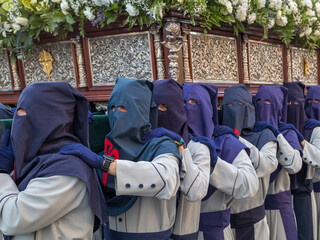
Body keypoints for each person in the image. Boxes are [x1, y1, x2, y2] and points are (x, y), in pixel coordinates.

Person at [59, 77, 181, 240]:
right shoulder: (107, 148)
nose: (117, 114)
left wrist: (105, 164)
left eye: (124, 108)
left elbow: (167, 178)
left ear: (140, 109)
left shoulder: (160, 145)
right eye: (113, 108)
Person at [0, 82, 107, 240]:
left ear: (49, 120)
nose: (18, 120)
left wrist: (2, 174)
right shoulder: (34, 162)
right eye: (18, 112)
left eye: (25, 113)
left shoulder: (67, 169)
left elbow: (13, 218)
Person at [182, 82, 259, 240]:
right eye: (183, 103)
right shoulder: (170, 142)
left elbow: (250, 184)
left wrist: (213, 163)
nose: (188, 108)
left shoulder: (225, 142)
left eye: (195, 103)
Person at [153, 79, 210, 240]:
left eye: (165, 107)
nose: (160, 111)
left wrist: (182, 152)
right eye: (156, 107)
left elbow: (196, 191)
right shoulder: (147, 146)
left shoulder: (198, 147)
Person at [222, 84, 278, 240]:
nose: (233, 110)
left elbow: (267, 165)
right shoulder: (219, 137)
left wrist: (236, 140)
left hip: (253, 220)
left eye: (240, 105)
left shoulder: (263, 135)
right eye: (228, 105)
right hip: (225, 224)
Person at [253, 85, 302, 240]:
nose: (263, 106)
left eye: (268, 102)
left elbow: (294, 165)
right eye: (259, 101)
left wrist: (276, 134)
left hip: (280, 210)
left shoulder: (287, 132)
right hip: (257, 211)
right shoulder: (252, 131)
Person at [284, 82, 320, 240]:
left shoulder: (313, 129)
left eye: (296, 103)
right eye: (288, 103)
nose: (292, 106)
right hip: (284, 197)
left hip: (305, 193)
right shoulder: (281, 128)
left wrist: (302, 143)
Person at [304, 85, 320, 240]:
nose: (313, 105)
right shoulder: (307, 126)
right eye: (309, 101)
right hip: (312, 190)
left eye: (317, 101)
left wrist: (303, 144)